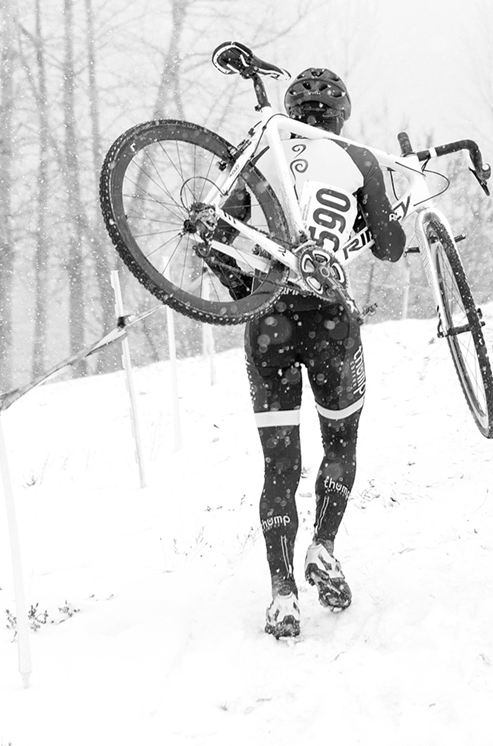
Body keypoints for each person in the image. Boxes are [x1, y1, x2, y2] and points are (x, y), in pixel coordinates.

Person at [200, 64, 370, 642]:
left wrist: (242, 288)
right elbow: (394, 246)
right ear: (342, 116)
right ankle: (323, 545)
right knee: (340, 444)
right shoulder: (359, 158)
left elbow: (222, 244)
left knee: (279, 465)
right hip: (332, 320)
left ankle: (281, 595)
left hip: (269, 323)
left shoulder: (258, 155)